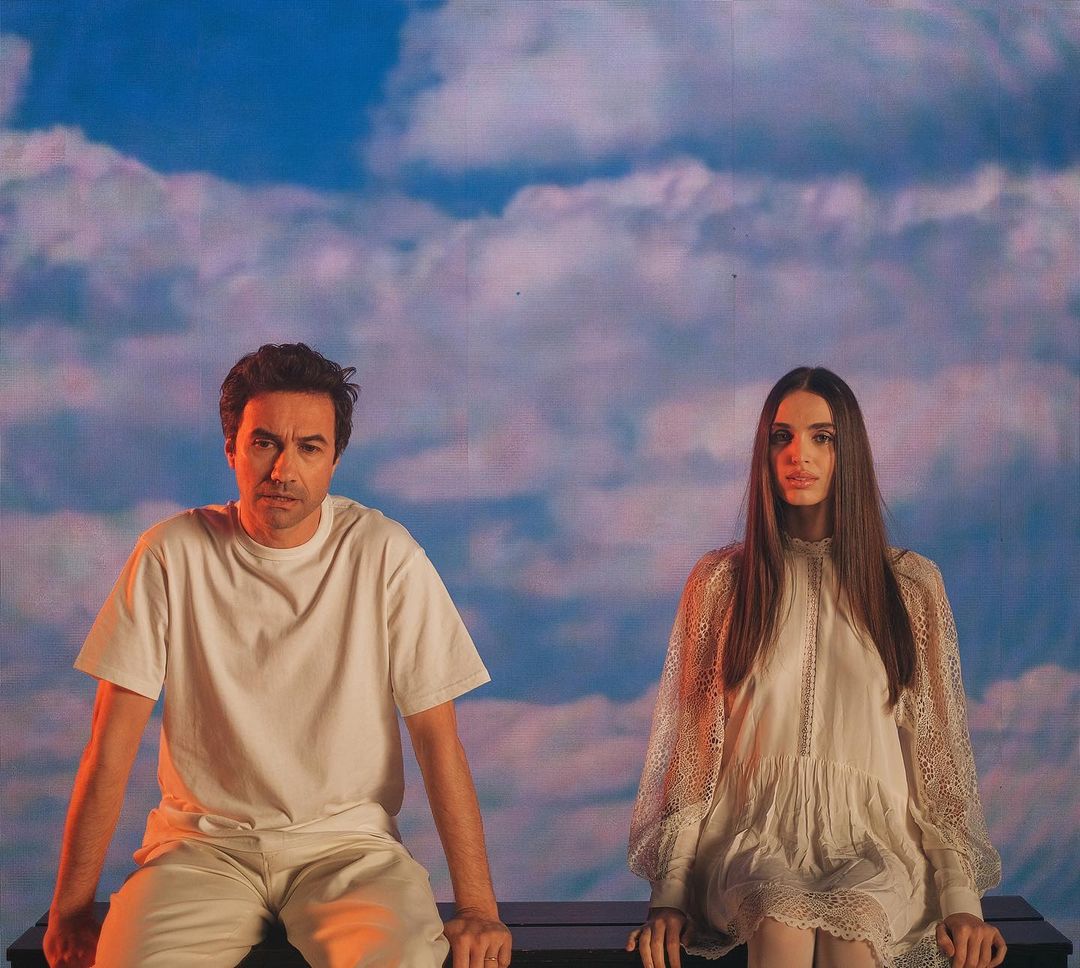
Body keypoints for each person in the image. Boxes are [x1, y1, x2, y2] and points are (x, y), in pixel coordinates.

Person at [44, 343, 512, 968]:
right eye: (264, 443)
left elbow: (438, 741)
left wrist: (478, 907)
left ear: (334, 460)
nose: (283, 470)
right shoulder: (169, 554)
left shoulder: (385, 553)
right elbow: (110, 745)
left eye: (309, 447)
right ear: (232, 449)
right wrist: (70, 911)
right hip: (200, 853)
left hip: (350, 852)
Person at [626, 367, 1005, 968]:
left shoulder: (910, 587)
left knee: (853, 935)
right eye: (782, 437)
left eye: (821, 437)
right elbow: (692, 761)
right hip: (751, 840)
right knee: (779, 921)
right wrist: (669, 895)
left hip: (876, 845)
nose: (797, 455)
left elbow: (938, 761)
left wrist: (962, 898)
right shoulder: (721, 584)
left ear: (847, 451)